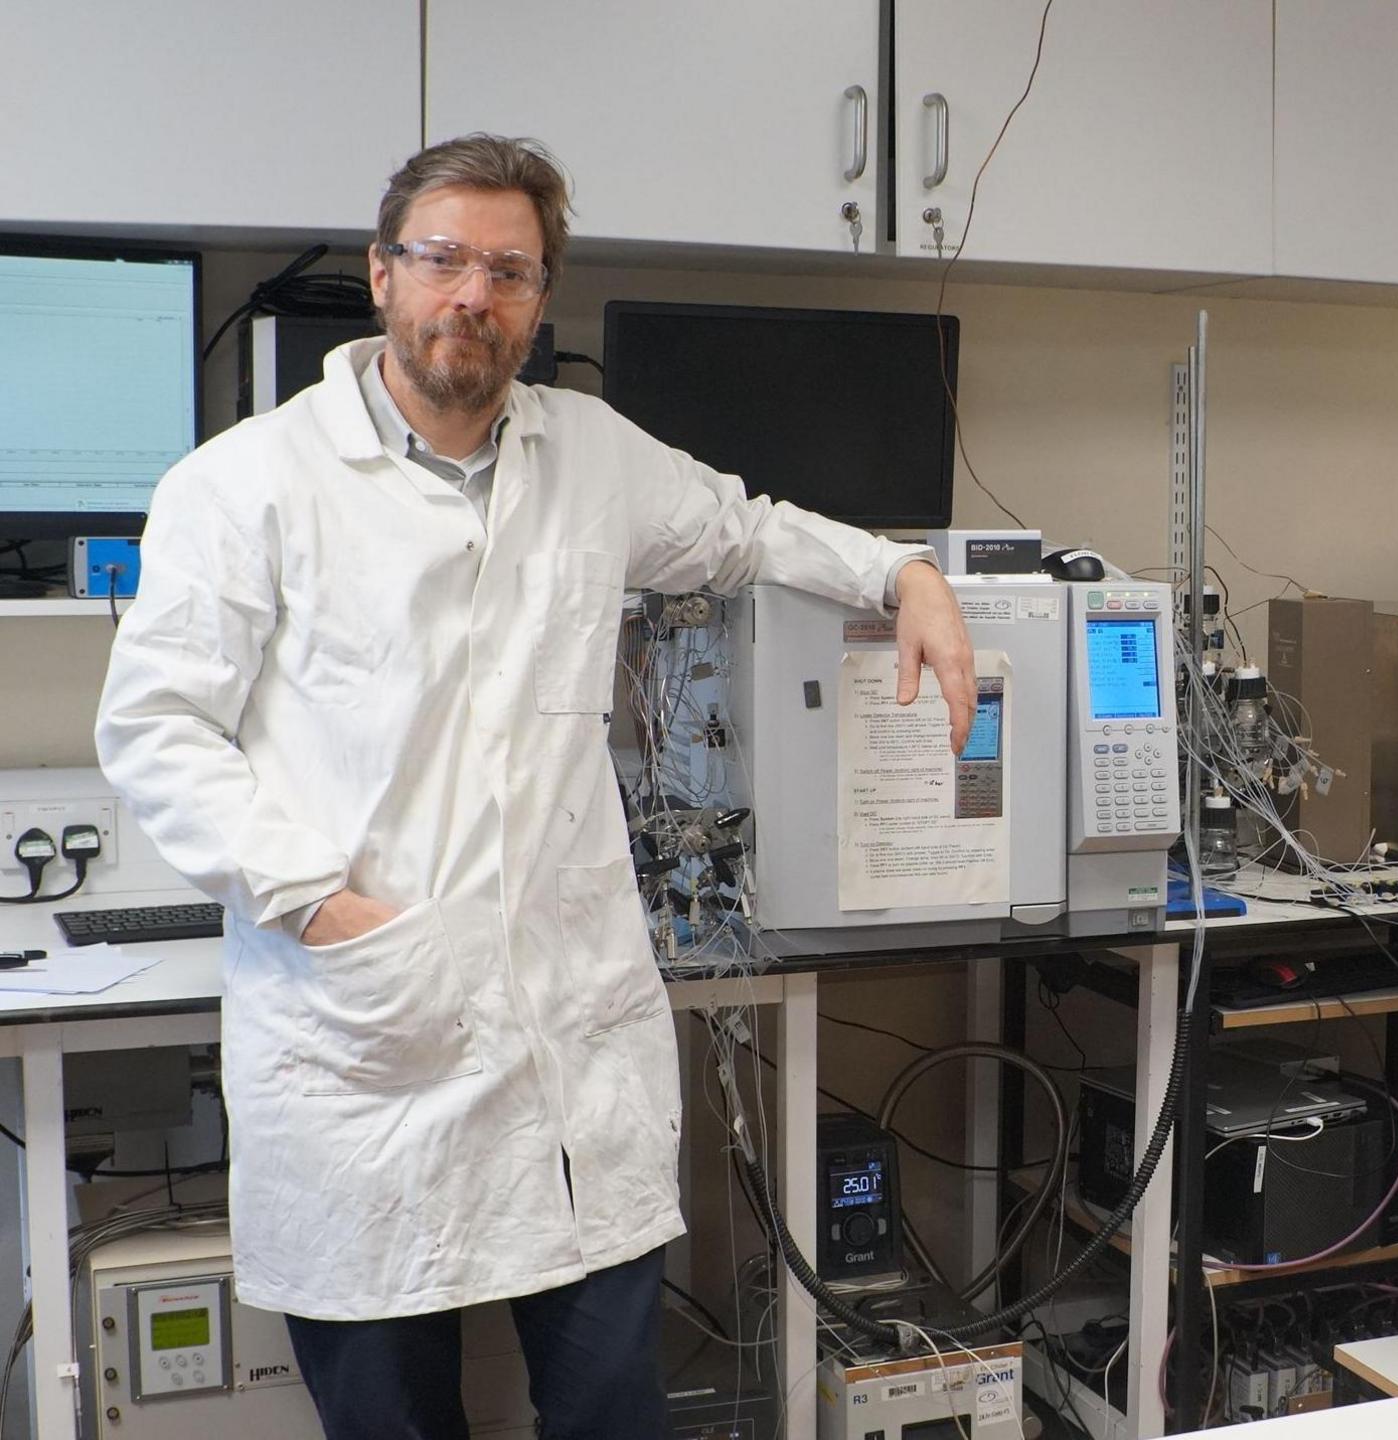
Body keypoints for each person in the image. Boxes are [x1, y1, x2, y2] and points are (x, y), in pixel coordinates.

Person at [93, 134, 977, 1439]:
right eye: (443, 259)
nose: (473, 295)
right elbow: (160, 729)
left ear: (540, 300)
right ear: (386, 274)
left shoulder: (592, 455)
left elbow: (743, 531)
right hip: (365, 1049)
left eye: (509, 270)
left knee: (613, 1412)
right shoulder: (246, 486)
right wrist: (317, 904)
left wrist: (904, 577)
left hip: (575, 1057)